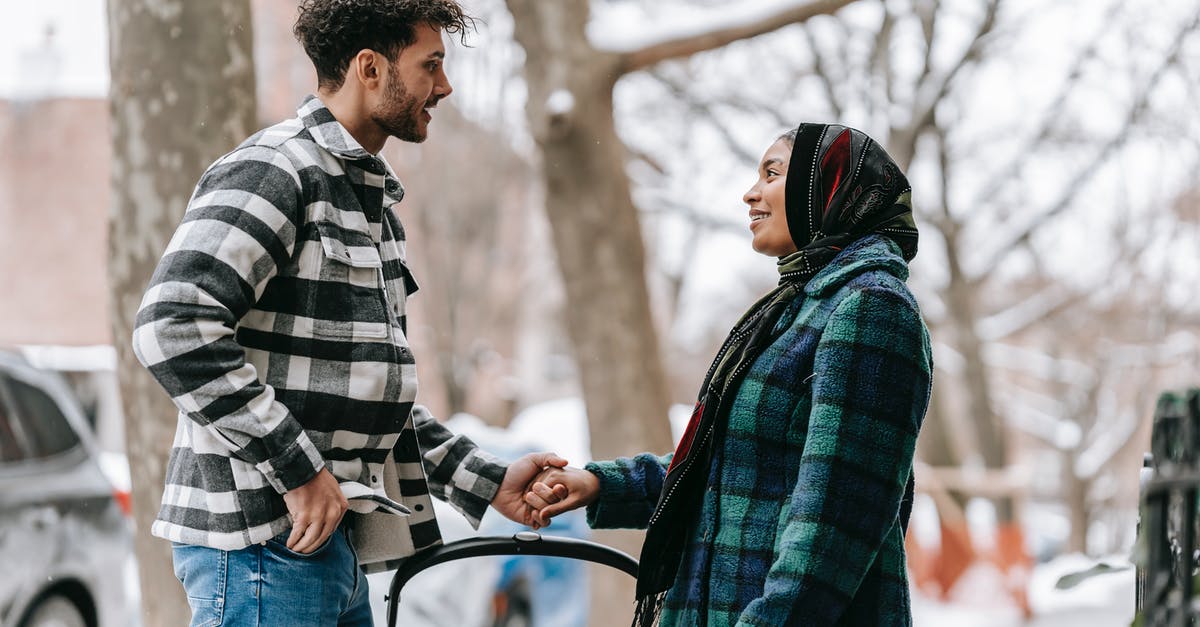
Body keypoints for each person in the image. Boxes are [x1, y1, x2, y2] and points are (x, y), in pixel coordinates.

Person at [130, 1, 565, 625]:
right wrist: (299, 470)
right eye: (430, 65)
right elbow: (172, 326)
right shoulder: (276, 169)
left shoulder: (370, 202)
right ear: (369, 67)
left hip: (329, 545)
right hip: (262, 547)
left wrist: (487, 480)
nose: (443, 87)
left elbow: (368, 397)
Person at [524, 123, 933, 626]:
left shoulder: (871, 309)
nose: (750, 192)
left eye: (772, 173)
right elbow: (728, 472)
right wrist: (598, 484)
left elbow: (837, 523)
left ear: (825, 187)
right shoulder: (795, 310)